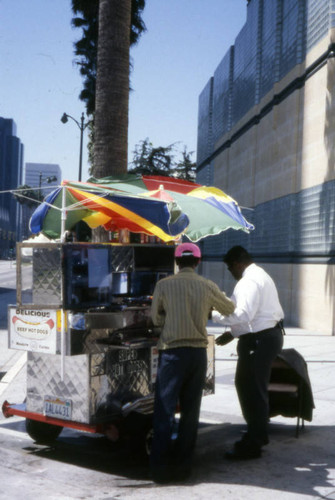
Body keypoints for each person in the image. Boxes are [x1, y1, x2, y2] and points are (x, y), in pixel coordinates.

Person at [150, 242, 235, 483]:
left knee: (164, 411)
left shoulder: (164, 285)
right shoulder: (207, 285)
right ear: (197, 262)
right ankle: (183, 468)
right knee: (190, 412)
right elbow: (229, 308)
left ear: (177, 262)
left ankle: (159, 470)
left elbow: (155, 318)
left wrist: (169, 318)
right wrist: (206, 307)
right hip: (197, 354)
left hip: (172, 354)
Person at [212, 245, 284, 460]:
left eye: (229, 268)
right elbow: (255, 315)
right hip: (265, 336)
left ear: (237, 263)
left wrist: (213, 314)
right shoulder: (259, 274)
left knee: (251, 388)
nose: (230, 273)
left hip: (259, 340)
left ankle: (254, 442)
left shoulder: (248, 281)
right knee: (251, 386)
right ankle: (258, 433)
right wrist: (233, 334)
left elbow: (242, 315)